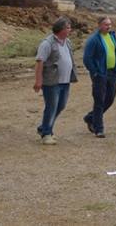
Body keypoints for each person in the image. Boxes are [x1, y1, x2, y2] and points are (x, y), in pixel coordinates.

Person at [34, 17, 77, 145]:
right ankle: (46, 134)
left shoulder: (67, 41)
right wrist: (38, 81)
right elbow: (39, 62)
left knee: (61, 105)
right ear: (60, 29)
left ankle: (43, 127)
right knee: (51, 107)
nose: (70, 30)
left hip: (65, 81)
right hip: (51, 82)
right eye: (68, 27)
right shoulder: (47, 43)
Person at [82, 16, 116, 138]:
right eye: (106, 24)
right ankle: (99, 129)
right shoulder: (94, 40)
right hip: (100, 73)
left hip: (112, 72)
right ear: (99, 25)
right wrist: (95, 72)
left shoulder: (111, 36)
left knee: (110, 98)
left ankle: (90, 118)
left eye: (110, 24)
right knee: (99, 100)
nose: (109, 26)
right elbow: (87, 58)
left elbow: (115, 51)